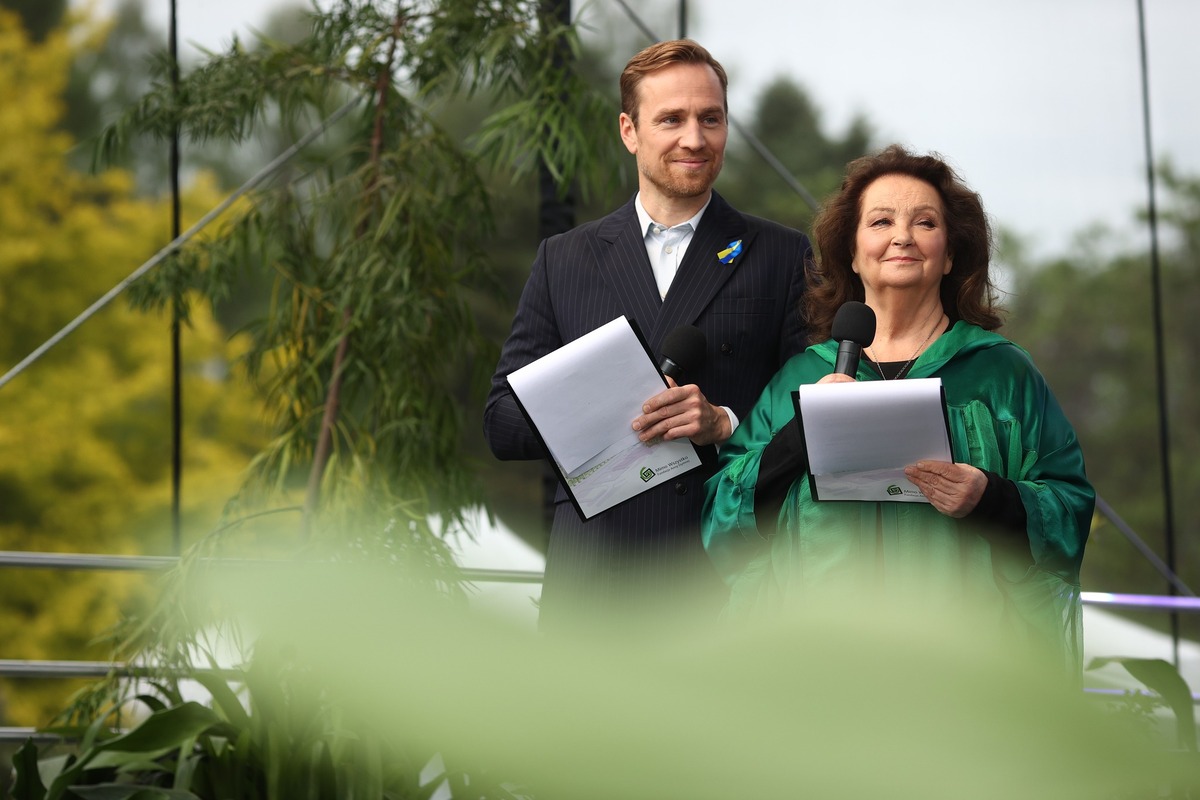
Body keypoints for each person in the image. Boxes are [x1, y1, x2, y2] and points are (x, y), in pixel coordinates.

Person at [702, 144, 1093, 673]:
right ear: (853, 251)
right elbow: (723, 520)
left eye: (925, 222)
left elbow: (1068, 510)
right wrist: (800, 436)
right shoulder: (803, 375)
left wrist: (990, 496)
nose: (902, 236)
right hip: (817, 664)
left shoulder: (1001, 375)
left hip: (963, 663)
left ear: (950, 254)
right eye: (881, 221)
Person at [483, 39, 810, 634]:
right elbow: (502, 422)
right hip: (593, 587)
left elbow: (812, 417)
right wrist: (596, 407)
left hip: (726, 587)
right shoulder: (566, 258)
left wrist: (724, 424)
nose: (694, 138)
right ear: (629, 131)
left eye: (711, 118)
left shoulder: (783, 255)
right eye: (671, 119)